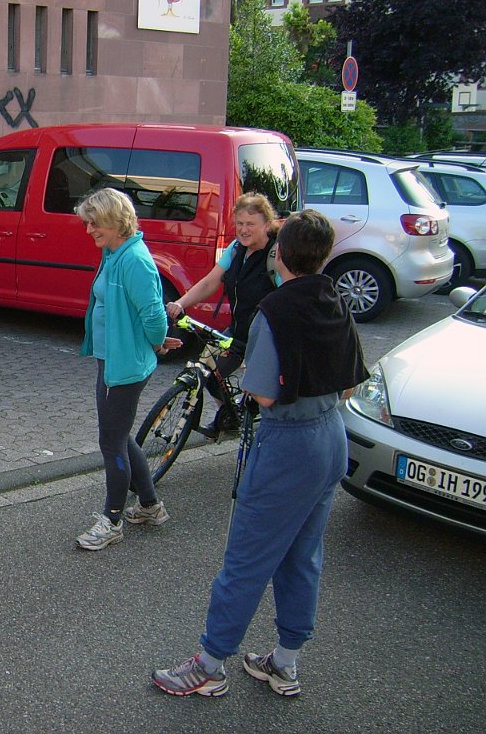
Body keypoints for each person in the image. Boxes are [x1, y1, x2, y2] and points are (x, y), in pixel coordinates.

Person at [151, 209, 368, 698]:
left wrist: (250, 383)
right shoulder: (335, 296)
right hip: (332, 436)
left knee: (246, 558)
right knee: (302, 556)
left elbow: (264, 393)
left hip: (289, 443)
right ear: (324, 254)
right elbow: (352, 381)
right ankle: (285, 663)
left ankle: (209, 664)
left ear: (280, 253)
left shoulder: (275, 308)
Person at [74, 188, 182, 551]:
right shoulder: (114, 251)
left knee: (111, 441)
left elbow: (154, 315)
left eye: (94, 223)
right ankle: (150, 505)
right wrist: (151, 340)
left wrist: (156, 341)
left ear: (114, 221)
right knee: (121, 436)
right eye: (87, 222)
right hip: (114, 358)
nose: (89, 230)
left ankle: (112, 519)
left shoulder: (135, 259)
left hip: (124, 365)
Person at [165, 192, 279, 439]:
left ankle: (260, 438)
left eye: (250, 224)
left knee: (258, 391)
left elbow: (287, 298)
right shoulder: (237, 249)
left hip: (265, 337)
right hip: (237, 330)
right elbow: (210, 282)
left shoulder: (276, 255)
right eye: (239, 223)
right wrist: (180, 303)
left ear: (267, 224)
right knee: (209, 371)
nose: (243, 230)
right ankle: (228, 418)